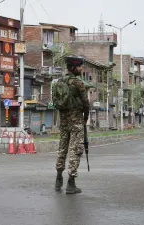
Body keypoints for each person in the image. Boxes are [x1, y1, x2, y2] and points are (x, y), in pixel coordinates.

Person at [54, 56, 90, 194]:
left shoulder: (59, 82)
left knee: (62, 149)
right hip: (76, 122)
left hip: (63, 121)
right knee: (75, 150)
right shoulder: (78, 83)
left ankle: (58, 179)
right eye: (80, 66)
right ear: (74, 68)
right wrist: (85, 118)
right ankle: (71, 183)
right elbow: (86, 103)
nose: (81, 69)